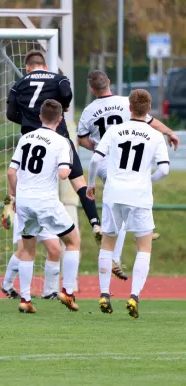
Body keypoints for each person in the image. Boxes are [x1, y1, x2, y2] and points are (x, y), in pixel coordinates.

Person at [78, 70, 179, 280]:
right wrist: (170, 132)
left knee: (119, 202)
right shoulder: (126, 102)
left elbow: (81, 139)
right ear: (109, 83)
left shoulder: (88, 110)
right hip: (124, 160)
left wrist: (100, 148)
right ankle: (119, 252)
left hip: (106, 160)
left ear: (91, 89)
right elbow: (151, 123)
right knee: (124, 202)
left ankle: (133, 236)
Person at [87, 89, 170, 318]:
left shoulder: (114, 131)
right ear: (148, 109)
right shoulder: (155, 135)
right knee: (143, 246)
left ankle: (104, 294)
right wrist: (148, 180)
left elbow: (95, 159)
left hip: (114, 193)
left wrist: (91, 183)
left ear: (130, 108)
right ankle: (134, 296)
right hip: (139, 196)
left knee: (108, 243)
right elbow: (164, 169)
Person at [6, 50, 102, 245]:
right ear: (46, 66)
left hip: (31, 142)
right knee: (79, 183)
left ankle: (11, 207)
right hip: (59, 139)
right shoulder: (59, 78)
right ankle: (95, 222)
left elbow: (10, 113)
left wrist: (27, 120)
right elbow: (66, 93)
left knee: (23, 180)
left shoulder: (19, 84)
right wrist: (64, 105)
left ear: (27, 68)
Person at [7, 99, 81, 314]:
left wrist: (15, 195)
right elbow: (64, 173)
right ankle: (67, 291)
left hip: (25, 202)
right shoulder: (61, 142)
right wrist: (64, 167)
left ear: (40, 117)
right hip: (46, 201)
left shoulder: (25, 138)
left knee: (28, 250)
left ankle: (26, 298)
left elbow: (11, 172)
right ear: (60, 119)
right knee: (73, 241)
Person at [0, 211, 62, 300]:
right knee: (23, 250)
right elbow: (11, 196)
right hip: (26, 213)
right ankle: (7, 285)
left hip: (46, 213)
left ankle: (49, 292)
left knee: (55, 250)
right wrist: (7, 212)